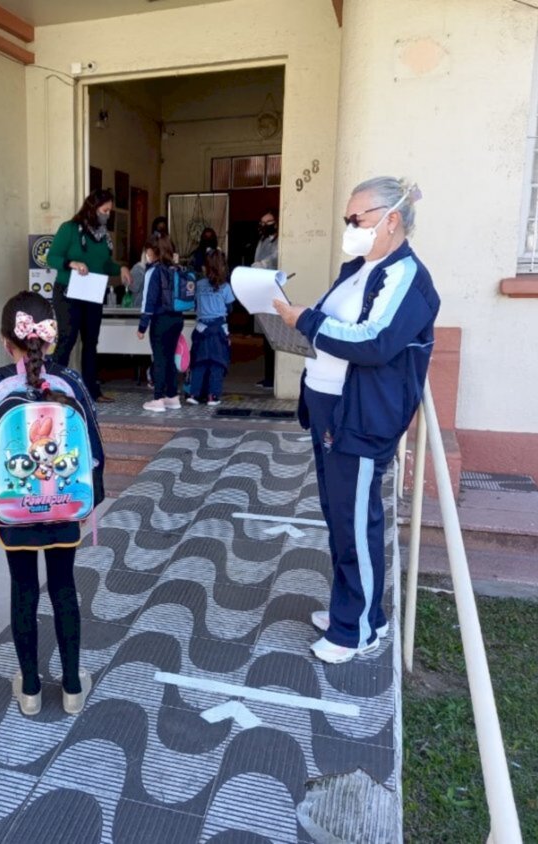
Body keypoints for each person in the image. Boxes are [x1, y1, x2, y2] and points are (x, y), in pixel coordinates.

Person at [274, 177, 438, 664]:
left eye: (356, 219)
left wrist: (305, 320)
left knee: (355, 520)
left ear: (391, 219)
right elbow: (334, 325)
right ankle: (361, 610)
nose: (349, 228)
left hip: (362, 417)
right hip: (332, 410)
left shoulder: (407, 276)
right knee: (339, 517)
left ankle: (357, 629)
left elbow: (374, 340)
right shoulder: (360, 269)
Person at [0, 291, 106, 717]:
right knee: (64, 588)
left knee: (23, 589)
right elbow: (95, 450)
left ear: (7, 341)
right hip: (64, 508)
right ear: (54, 340)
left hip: (13, 512)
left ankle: (29, 689)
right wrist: (87, 500)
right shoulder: (72, 383)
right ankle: (74, 687)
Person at [46, 189, 132, 403]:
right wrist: (71, 263)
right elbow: (52, 257)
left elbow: (104, 264)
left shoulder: (103, 236)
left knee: (91, 342)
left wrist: (120, 269)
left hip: (92, 293)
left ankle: (92, 391)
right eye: (105, 210)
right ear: (93, 208)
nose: (108, 214)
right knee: (67, 339)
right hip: (68, 292)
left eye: (110, 210)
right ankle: (53, 389)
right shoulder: (70, 229)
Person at [137, 236, 184, 412]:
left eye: (147, 251)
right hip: (177, 319)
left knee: (159, 358)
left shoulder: (154, 271)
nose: (146, 254)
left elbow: (148, 302)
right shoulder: (176, 269)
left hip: (160, 320)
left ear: (153, 252)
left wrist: (142, 326)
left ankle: (158, 399)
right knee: (170, 357)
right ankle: (172, 397)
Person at [187, 249, 235, 407]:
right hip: (219, 329)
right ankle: (212, 396)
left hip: (201, 328)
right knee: (217, 364)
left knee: (199, 363)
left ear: (205, 267)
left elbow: (193, 304)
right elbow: (230, 309)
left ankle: (194, 394)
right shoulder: (226, 287)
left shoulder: (199, 285)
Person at [252, 208, 280, 389]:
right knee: (265, 338)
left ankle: (274, 378)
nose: (263, 226)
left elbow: (275, 258)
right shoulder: (262, 241)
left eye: (267, 222)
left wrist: (264, 264)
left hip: (274, 292)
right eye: (262, 223)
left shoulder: (279, 242)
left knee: (274, 338)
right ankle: (268, 376)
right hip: (261, 292)